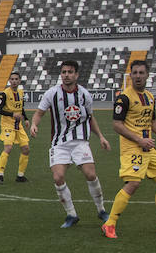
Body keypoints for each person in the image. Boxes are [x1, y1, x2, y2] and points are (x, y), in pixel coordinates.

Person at [102, 59, 156, 238]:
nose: (138, 76)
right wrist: (139, 140)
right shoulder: (124, 97)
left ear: (147, 75)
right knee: (133, 183)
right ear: (130, 75)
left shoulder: (149, 96)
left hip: (148, 147)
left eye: (141, 73)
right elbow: (117, 125)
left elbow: (152, 122)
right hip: (132, 148)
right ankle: (109, 224)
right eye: (135, 73)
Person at [29, 60, 112, 228]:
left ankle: (101, 210)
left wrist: (101, 137)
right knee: (58, 177)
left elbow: (90, 118)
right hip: (59, 143)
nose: (66, 75)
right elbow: (39, 113)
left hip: (80, 141)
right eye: (64, 72)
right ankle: (71, 214)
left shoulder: (84, 95)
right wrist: (34, 124)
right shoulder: (52, 93)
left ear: (76, 75)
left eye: (70, 72)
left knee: (90, 174)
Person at [0, 71, 31, 183]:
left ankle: (20, 176)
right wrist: (12, 114)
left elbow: (21, 107)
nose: (14, 81)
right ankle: (0, 175)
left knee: (26, 149)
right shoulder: (4, 94)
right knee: (8, 148)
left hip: (18, 125)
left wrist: (26, 118)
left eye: (16, 79)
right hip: (7, 125)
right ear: (9, 81)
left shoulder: (21, 92)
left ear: (19, 81)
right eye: (12, 79)